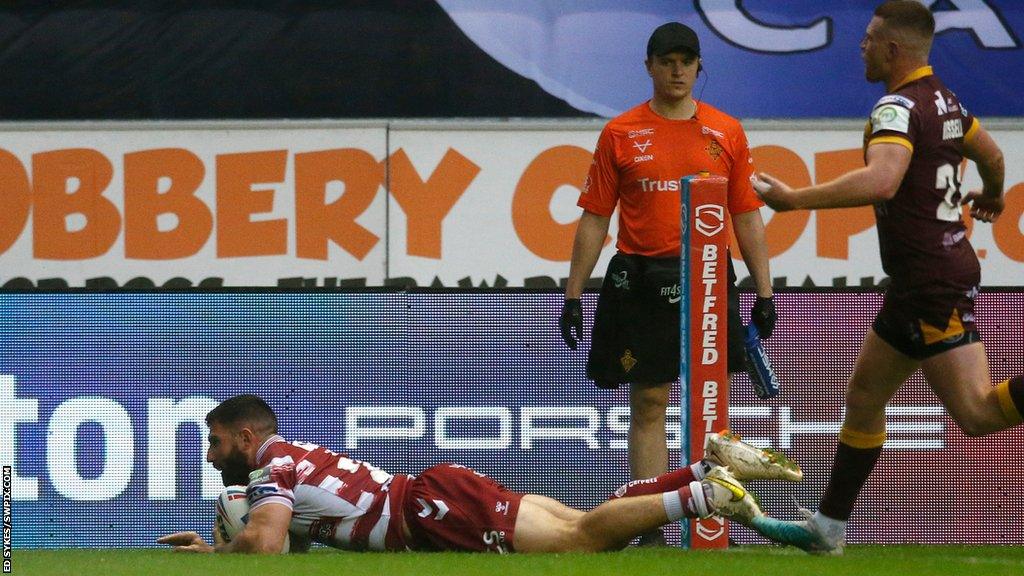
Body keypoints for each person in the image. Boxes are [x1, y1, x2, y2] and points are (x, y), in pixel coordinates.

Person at [749, 0, 1021, 554]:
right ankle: (828, 529)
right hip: (928, 276)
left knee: (975, 414)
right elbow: (991, 154)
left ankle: (828, 527)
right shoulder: (945, 99)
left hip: (928, 281)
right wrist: (993, 194)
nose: (862, 46)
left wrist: (795, 200)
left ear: (893, 49)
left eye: (870, 38)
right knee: (865, 394)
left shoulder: (897, 107)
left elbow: (882, 181)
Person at [558, 21, 781, 543]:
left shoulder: (726, 131)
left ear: (699, 66)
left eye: (687, 60)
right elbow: (595, 217)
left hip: (707, 277)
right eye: (667, 60)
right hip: (640, 279)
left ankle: (711, 522)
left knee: (711, 403)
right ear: (649, 66)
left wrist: (765, 291)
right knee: (649, 401)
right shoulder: (619, 132)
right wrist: (572, 293)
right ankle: (649, 524)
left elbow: (746, 215)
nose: (677, 70)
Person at [158, 394, 800, 554]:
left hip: (430, 511)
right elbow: (289, 543)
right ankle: (704, 462)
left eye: (215, 443)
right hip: (435, 493)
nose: (211, 456)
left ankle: (705, 494)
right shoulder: (290, 457)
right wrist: (218, 546)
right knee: (580, 521)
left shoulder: (269, 467)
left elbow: (267, 544)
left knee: (580, 542)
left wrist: (218, 553)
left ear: (246, 437)